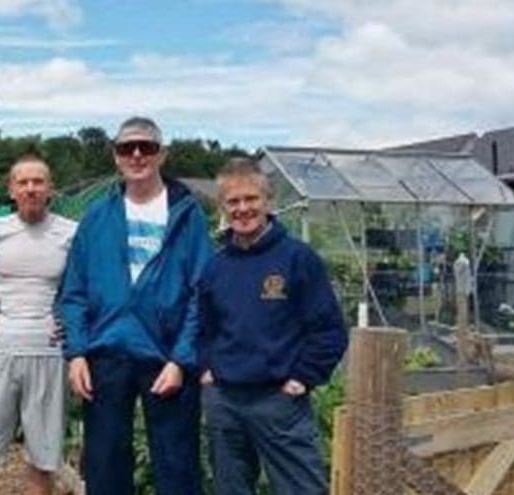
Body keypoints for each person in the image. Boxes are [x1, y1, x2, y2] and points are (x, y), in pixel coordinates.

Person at [58, 116, 211, 495]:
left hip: (166, 355)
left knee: (177, 465)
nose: (137, 155)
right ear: (116, 156)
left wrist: (182, 360)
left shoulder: (187, 214)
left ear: (162, 154)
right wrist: (77, 353)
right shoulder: (97, 216)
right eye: (128, 148)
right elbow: (74, 290)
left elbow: (202, 293)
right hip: (107, 353)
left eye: (147, 147)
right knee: (105, 465)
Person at [197, 157, 348, 495]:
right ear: (223, 207)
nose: (243, 209)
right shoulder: (216, 267)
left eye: (251, 198)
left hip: (279, 401)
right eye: (233, 201)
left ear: (268, 201)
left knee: (302, 489)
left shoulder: (297, 258)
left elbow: (329, 330)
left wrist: (302, 378)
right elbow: (203, 328)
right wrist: (206, 369)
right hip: (225, 401)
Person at [0, 155, 77, 495]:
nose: (30, 189)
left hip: (48, 351)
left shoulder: (71, 233)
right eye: (23, 182)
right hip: (1, 350)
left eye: (38, 182)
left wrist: (73, 324)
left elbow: (92, 285)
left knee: (42, 459)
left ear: (50, 188)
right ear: (11, 190)